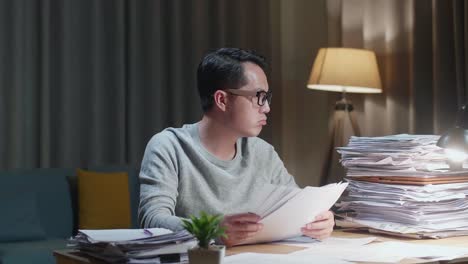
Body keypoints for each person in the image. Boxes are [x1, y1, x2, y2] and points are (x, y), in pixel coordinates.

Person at [138, 47, 334, 247]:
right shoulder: (169, 146)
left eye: (267, 98)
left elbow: (297, 207)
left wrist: (318, 221)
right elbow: (152, 220)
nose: (266, 107)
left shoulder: (262, 152)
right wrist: (213, 230)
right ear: (222, 100)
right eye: (259, 96)